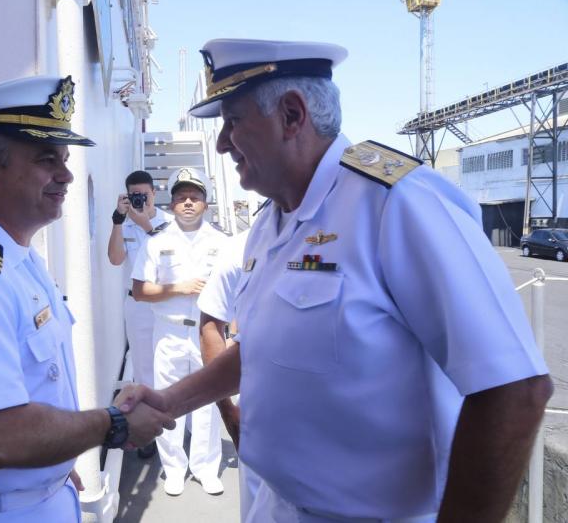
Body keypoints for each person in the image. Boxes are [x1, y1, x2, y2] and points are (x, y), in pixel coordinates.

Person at [118, 39, 552, 522]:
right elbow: (262, 349)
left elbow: (514, 387)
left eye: (234, 121)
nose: (222, 142)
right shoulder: (270, 222)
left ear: (292, 115)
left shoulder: (398, 205)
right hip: (275, 505)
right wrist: (169, 400)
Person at [0, 75, 174, 523]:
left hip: (40, 497)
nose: (67, 175)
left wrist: (55, 465)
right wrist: (114, 423)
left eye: (65, 159)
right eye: (47, 159)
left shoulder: (19, 257)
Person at [131, 167, 228, 496]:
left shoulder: (223, 243)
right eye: (181, 197)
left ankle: (206, 467)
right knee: (166, 399)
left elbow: (236, 290)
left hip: (208, 331)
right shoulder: (156, 241)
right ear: (171, 204)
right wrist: (178, 288)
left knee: (208, 401)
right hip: (169, 332)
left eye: (194, 197)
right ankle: (173, 468)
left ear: (205, 204)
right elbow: (139, 291)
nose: (188, 203)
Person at [197, 228, 263, 520]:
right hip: (259, 418)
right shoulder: (241, 245)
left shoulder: (369, 224)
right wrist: (228, 411)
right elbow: (212, 323)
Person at [107, 170, 172, 458]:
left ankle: (176, 427)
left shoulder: (168, 223)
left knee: (172, 365)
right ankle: (150, 435)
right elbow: (115, 259)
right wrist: (118, 221)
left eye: (144, 195)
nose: (139, 200)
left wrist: (146, 224)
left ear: (154, 194)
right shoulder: (125, 224)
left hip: (166, 302)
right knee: (144, 369)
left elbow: (172, 255)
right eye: (134, 195)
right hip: (137, 305)